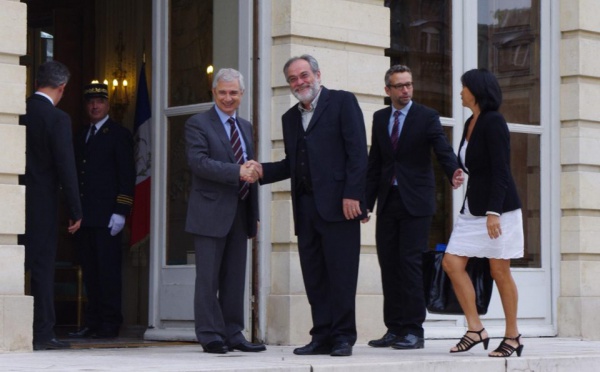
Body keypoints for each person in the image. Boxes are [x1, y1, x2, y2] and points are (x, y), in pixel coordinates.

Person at [251, 54, 368, 357]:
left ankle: (343, 337)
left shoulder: (342, 102)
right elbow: (294, 163)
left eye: (304, 75)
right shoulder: (290, 118)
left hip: (342, 207)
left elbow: (357, 152)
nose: (299, 82)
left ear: (317, 74)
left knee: (341, 275)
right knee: (315, 276)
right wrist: (264, 171)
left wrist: (354, 195)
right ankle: (322, 335)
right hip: (305, 208)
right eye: (293, 78)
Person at [364, 65, 463, 350]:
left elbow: (441, 147)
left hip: (416, 203)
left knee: (410, 264)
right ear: (388, 90)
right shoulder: (380, 118)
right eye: (399, 86)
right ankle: (394, 328)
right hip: (388, 201)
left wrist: (453, 170)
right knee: (389, 264)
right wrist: (366, 203)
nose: (405, 90)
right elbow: (375, 164)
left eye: (408, 84)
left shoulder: (426, 116)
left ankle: (413, 330)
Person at [442, 68, 524, 357]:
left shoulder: (494, 122)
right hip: (472, 208)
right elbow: (473, 164)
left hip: (497, 209)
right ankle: (475, 328)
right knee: (451, 263)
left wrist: (493, 212)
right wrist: (458, 173)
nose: (460, 92)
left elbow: (502, 170)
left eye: (463, 87)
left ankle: (513, 336)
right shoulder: (469, 122)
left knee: (499, 270)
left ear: (475, 91)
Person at [184, 68, 265, 354]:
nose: (227, 98)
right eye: (222, 92)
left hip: (240, 213)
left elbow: (250, 169)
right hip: (208, 212)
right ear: (213, 93)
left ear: (241, 95)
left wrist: (254, 213)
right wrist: (238, 171)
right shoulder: (198, 123)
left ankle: (234, 333)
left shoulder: (245, 126)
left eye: (233, 93)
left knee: (234, 279)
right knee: (208, 279)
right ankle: (210, 335)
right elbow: (198, 163)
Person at [20, 60, 82, 350]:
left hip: (12, 199)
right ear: (61, 88)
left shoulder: (19, 111)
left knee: (14, 262)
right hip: (43, 203)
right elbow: (66, 167)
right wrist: (75, 209)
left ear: (35, 83)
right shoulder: (57, 119)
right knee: (42, 268)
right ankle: (43, 332)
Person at [69, 83, 136, 339]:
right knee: (91, 273)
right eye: (90, 102)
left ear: (108, 104)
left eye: (99, 101)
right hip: (86, 217)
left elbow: (126, 174)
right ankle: (93, 321)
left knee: (108, 273)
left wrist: (121, 210)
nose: (94, 106)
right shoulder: (82, 134)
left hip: (108, 216)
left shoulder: (118, 134)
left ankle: (110, 322)